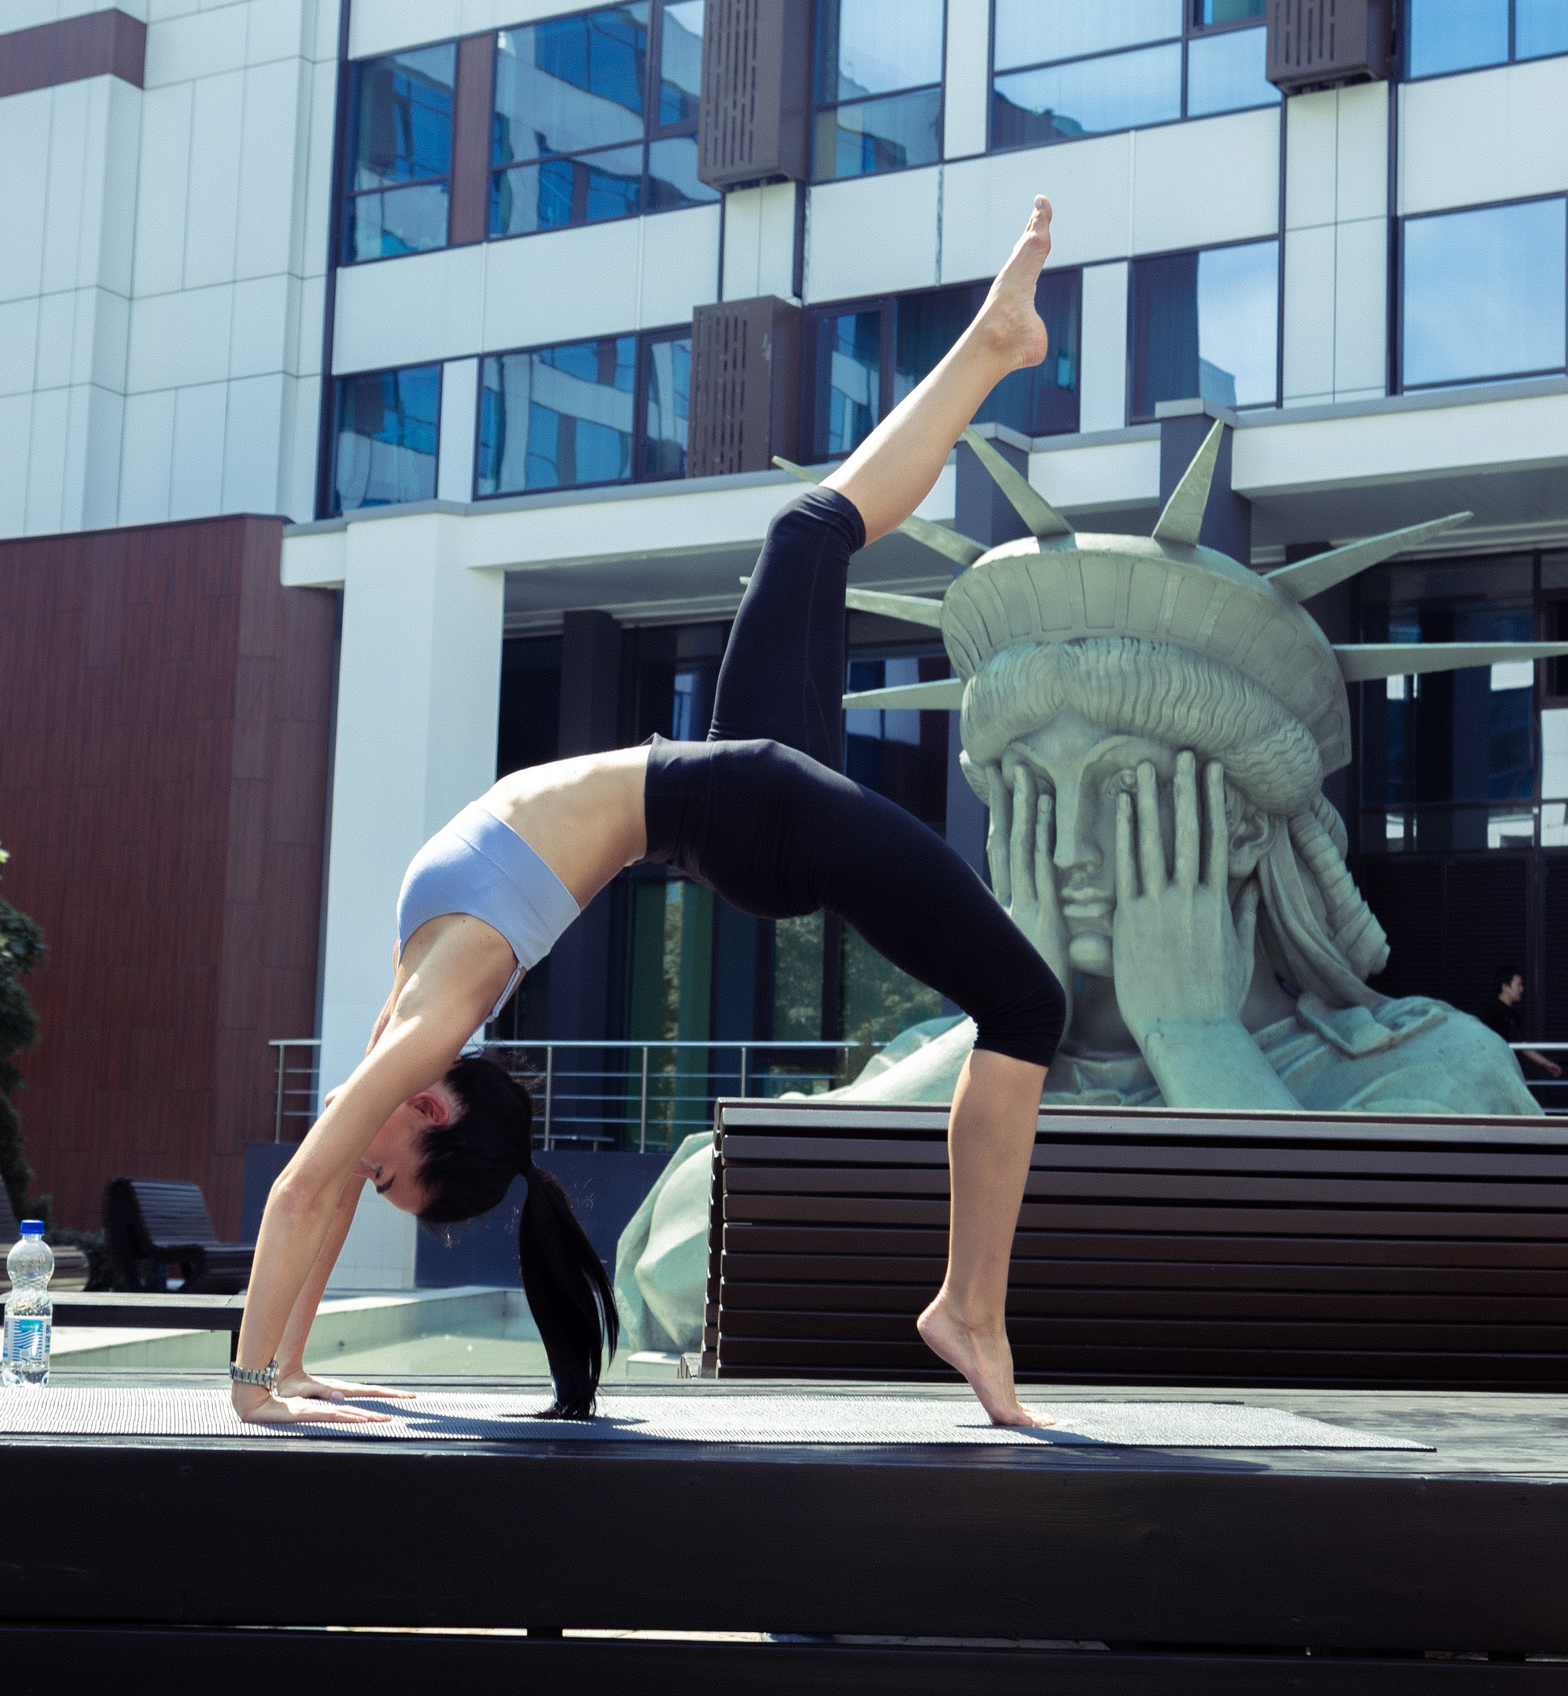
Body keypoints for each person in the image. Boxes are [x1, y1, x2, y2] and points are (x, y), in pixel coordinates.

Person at [231, 196, 1070, 1429]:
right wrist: (259, 1386)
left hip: (726, 796)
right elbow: (314, 1187)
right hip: (743, 809)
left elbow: (319, 1187)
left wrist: (279, 1371)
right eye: (392, 1178)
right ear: (432, 1115)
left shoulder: (413, 1030)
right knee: (1027, 1005)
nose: (366, 1168)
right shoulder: (436, 1020)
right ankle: (970, 1309)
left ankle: (992, 344)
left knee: (809, 527)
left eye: (385, 1183)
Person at [1480, 966, 1562, 1079]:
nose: (1522, 989)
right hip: (1491, 1072)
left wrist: (1546, 1063)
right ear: (1505, 987)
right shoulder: (1493, 1013)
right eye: (1518, 985)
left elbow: (1521, 1045)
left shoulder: (1512, 1014)